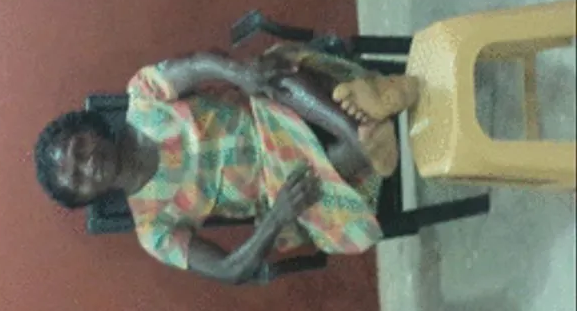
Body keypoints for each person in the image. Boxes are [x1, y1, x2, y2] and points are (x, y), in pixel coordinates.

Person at [34, 44, 419, 285]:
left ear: (88, 129)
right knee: (314, 181)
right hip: (282, 178)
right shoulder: (154, 229)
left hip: (271, 110)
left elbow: (198, 64)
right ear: (86, 197)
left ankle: (360, 134)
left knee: (276, 74)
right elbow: (229, 270)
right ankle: (368, 119)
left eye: (78, 150)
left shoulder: (143, 97)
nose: (87, 165)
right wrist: (276, 218)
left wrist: (241, 75)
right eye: (77, 177)